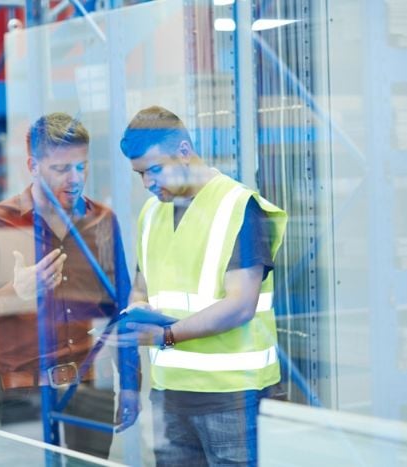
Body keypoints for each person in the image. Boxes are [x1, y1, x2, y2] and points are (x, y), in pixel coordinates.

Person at [0, 112, 136, 460]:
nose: (75, 180)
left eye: (81, 167)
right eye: (61, 169)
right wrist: (14, 294)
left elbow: (122, 310)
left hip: (90, 387)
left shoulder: (102, 221)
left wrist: (130, 384)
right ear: (33, 166)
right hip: (24, 391)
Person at [117, 106, 287, 466]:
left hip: (235, 399)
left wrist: (165, 335)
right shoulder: (152, 214)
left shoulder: (238, 206)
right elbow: (140, 289)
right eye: (140, 174)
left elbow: (240, 304)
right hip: (170, 396)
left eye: (154, 170)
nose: (147, 183)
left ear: (183, 151)